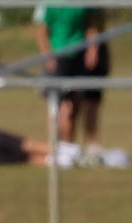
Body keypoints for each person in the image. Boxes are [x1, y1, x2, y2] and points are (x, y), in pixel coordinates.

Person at [33, 5, 110, 164]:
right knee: (59, 106)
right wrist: (47, 55)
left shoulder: (82, 4)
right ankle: (54, 147)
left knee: (73, 105)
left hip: (78, 57)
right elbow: (41, 29)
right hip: (58, 57)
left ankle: (69, 148)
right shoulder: (49, 4)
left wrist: (92, 49)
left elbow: (89, 25)